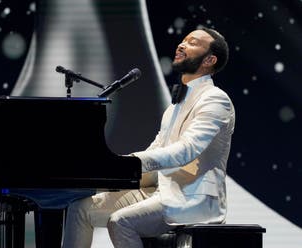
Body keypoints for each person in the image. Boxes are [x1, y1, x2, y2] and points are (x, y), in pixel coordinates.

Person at [61, 26, 235, 248]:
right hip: (160, 190)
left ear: (210, 60)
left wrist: (131, 162)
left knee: (121, 221)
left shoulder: (216, 100)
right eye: (183, 40)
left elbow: (187, 150)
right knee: (80, 210)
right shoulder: (174, 106)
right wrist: (116, 168)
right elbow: (157, 147)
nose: (181, 45)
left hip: (193, 197)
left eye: (192, 43)